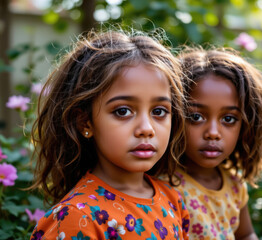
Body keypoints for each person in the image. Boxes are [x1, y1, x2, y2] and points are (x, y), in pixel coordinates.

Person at [29, 29, 190, 240]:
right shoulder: (76, 217)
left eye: (159, 112)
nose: (146, 128)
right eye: (123, 111)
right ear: (85, 122)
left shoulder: (171, 199)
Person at [175, 47, 262, 240]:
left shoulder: (234, 185)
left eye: (229, 119)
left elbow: (246, 234)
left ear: (246, 125)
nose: (213, 133)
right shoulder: (165, 184)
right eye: (196, 116)